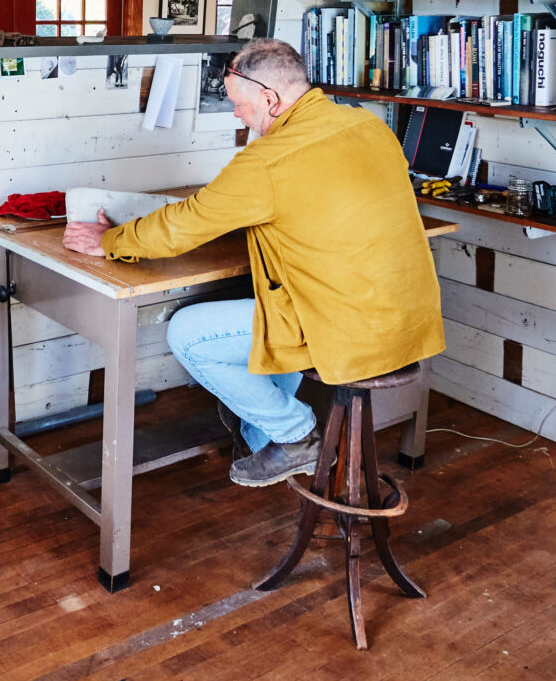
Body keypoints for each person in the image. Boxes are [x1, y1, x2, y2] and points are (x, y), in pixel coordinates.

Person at [64, 38, 444, 487]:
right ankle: (259, 436)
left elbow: (184, 224)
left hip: (348, 328)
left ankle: (294, 436)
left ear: (270, 99)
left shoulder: (268, 160)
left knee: (187, 333)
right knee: (268, 314)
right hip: (410, 318)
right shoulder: (368, 126)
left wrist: (110, 240)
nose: (235, 113)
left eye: (238, 104)